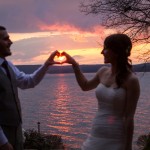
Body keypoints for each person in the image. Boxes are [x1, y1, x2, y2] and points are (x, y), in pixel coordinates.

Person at [62, 34, 140, 150]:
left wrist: (128, 146)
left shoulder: (131, 80)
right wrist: (74, 65)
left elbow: (129, 117)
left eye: (106, 48)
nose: (102, 52)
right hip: (96, 132)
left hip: (116, 136)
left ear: (117, 52)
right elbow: (85, 86)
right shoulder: (103, 71)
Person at [0, 25, 59, 150]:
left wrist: (46, 65)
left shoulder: (8, 65)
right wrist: (3, 142)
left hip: (15, 135)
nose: (10, 42)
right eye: (5, 39)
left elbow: (29, 82)